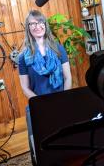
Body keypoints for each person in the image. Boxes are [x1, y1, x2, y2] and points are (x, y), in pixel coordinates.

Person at [18, 10, 72, 164]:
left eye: (40, 22)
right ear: (28, 28)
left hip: (60, 102)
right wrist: (40, 103)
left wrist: (64, 98)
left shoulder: (58, 48)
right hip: (39, 106)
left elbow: (68, 77)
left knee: (65, 144)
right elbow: (25, 88)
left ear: (45, 25)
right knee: (43, 150)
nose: (37, 26)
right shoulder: (23, 57)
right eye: (32, 24)